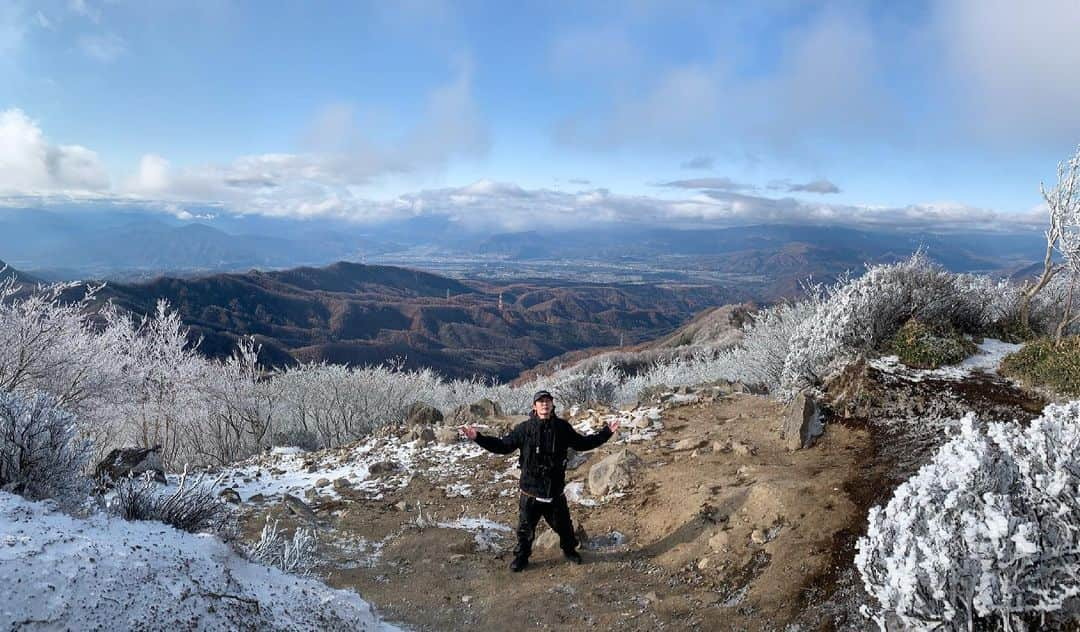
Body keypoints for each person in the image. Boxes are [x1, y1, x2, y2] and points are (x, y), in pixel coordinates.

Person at [460, 390, 620, 572]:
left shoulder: (562, 428)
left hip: (555, 492)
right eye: (540, 401)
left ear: (552, 405)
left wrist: (606, 432)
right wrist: (478, 438)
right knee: (525, 530)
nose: (544, 404)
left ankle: (569, 551)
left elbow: (582, 444)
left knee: (565, 528)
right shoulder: (524, 429)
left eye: (547, 401)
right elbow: (503, 447)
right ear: (534, 406)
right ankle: (521, 558)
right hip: (530, 492)